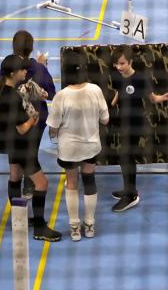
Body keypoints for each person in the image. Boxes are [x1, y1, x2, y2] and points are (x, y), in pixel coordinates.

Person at [0, 54, 61, 242]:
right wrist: (33, 118)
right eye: (23, 69)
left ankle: (18, 220)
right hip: (22, 146)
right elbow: (22, 129)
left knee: (15, 177)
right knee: (42, 184)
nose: (26, 71)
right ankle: (40, 228)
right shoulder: (13, 98)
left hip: (11, 145)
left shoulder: (2, 92)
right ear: (13, 73)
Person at [46, 53, 108, 241]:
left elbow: (53, 129)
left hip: (69, 150)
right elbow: (105, 119)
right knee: (89, 182)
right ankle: (89, 225)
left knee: (71, 184)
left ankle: (74, 228)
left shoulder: (61, 96)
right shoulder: (96, 90)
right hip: (91, 147)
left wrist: (53, 134)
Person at [108, 46, 168, 212]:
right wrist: (111, 105)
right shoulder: (116, 75)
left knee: (128, 158)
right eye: (116, 64)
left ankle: (131, 196)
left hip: (136, 124)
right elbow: (118, 93)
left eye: (122, 63)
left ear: (130, 62)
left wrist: (162, 98)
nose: (119, 67)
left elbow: (152, 99)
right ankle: (128, 189)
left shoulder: (141, 79)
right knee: (123, 157)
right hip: (121, 122)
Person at [12, 30, 56, 196]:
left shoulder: (7, 67)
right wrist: (43, 67)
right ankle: (30, 184)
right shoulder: (39, 69)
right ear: (31, 48)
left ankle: (22, 186)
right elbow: (51, 94)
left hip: (15, 118)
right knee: (32, 151)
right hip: (37, 119)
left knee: (17, 155)